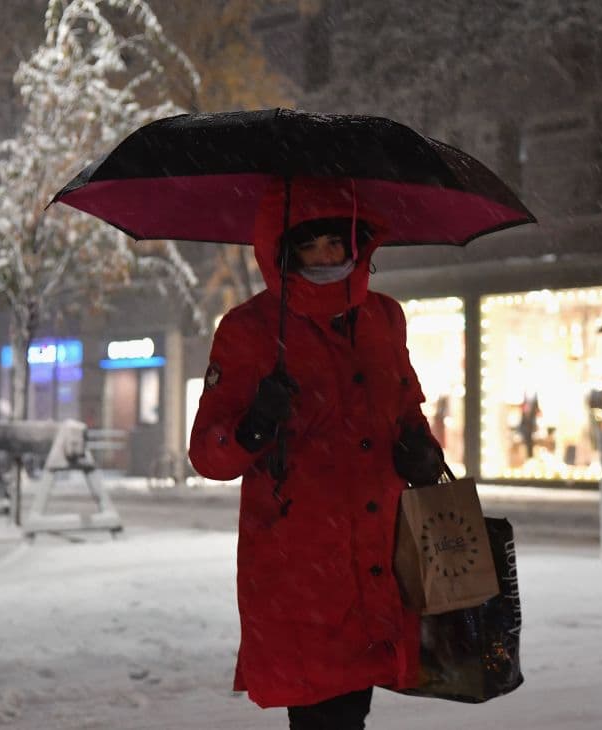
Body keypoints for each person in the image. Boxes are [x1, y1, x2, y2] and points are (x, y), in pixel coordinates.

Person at [189, 177, 445, 729]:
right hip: (299, 571)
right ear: (284, 251)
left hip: (378, 554)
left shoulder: (384, 317)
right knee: (323, 712)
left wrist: (422, 453)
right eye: (310, 245)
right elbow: (208, 454)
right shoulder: (249, 330)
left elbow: (405, 409)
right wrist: (254, 426)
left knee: (351, 708)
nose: (327, 256)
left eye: (336, 241)